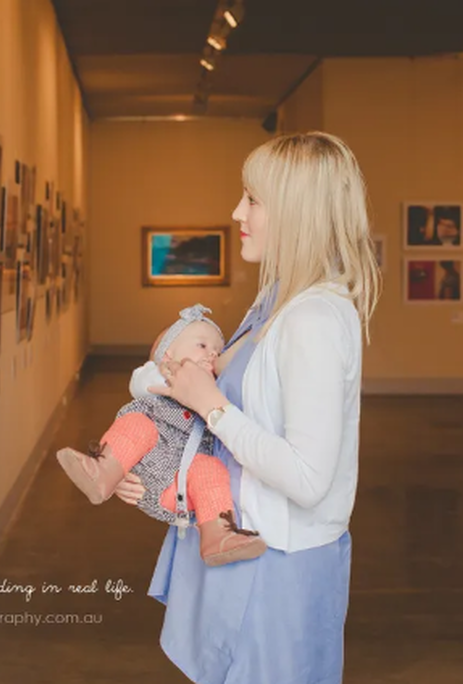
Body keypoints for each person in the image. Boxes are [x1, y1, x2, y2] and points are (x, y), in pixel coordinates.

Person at [114, 131, 381, 683]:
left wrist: (211, 406)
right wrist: (143, 467)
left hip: (278, 568)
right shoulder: (277, 299)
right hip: (244, 551)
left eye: (253, 200)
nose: (238, 211)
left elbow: (307, 478)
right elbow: (216, 418)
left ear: (295, 213)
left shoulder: (313, 320)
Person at [56, 304, 267, 567]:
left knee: (210, 469)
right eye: (202, 346)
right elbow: (143, 380)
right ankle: (104, 472)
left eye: (217, 349)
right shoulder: (159, 378)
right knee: (137, 424)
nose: (213, 353)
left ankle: (217, 534)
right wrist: (167, 372)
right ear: (168, 355)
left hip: (181, 486)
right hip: (147, 471)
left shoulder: (215, 389)